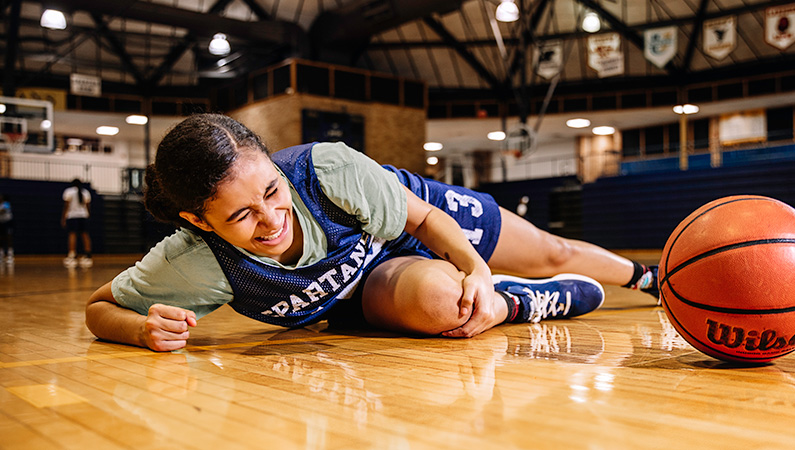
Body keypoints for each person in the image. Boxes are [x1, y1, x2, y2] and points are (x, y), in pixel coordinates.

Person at [85, 114, 658, 352]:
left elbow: (426, 221)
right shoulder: (192, 261)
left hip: (410, 217)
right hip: (368, 281)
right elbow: (97, 308)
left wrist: (475, 266)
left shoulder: (326, 169)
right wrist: (141, 329)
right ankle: (517, 303)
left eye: (271, 191)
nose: (271, 220)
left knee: (549, 250)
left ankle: (650, 278)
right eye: (241, 217)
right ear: (198, 221)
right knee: (441, 300)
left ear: (273, 164)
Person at [61, 178, 93, 268]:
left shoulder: (68, 192)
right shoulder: (85, 192)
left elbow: (66, 206)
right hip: (84, 216)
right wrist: (88, 215)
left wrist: (63, 218)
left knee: (72, 234)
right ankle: (88, 254)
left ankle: (72, 255)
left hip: (72, 216)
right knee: (85, 234)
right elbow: (88, 206)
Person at [0, 193, 13, 264]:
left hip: (7, 223)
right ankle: (1, 254)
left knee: (8, 238)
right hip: (1, 223)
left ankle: (10, 254)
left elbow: (3, 211)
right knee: (1, 238)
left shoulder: (6, 204)